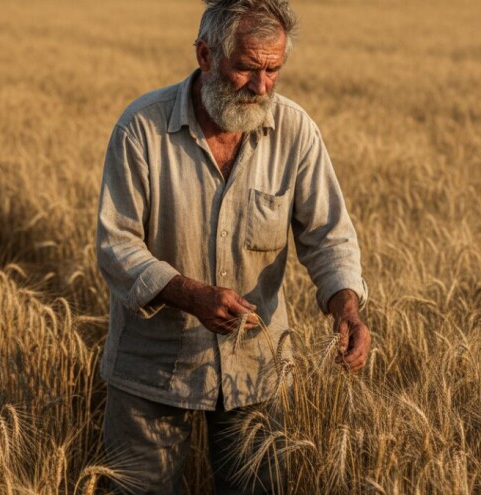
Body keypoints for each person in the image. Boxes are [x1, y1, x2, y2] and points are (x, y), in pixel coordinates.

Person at [95, 0, 369, 492]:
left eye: (274, 70)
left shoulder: (295, 132)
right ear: (205, 55)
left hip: (254, 372)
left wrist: (345, 308)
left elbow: (329, 236)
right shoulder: (142, 129)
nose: (261, 86)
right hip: (153, 370)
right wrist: (191, 295)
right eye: (246, 68)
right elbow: (117, 245)